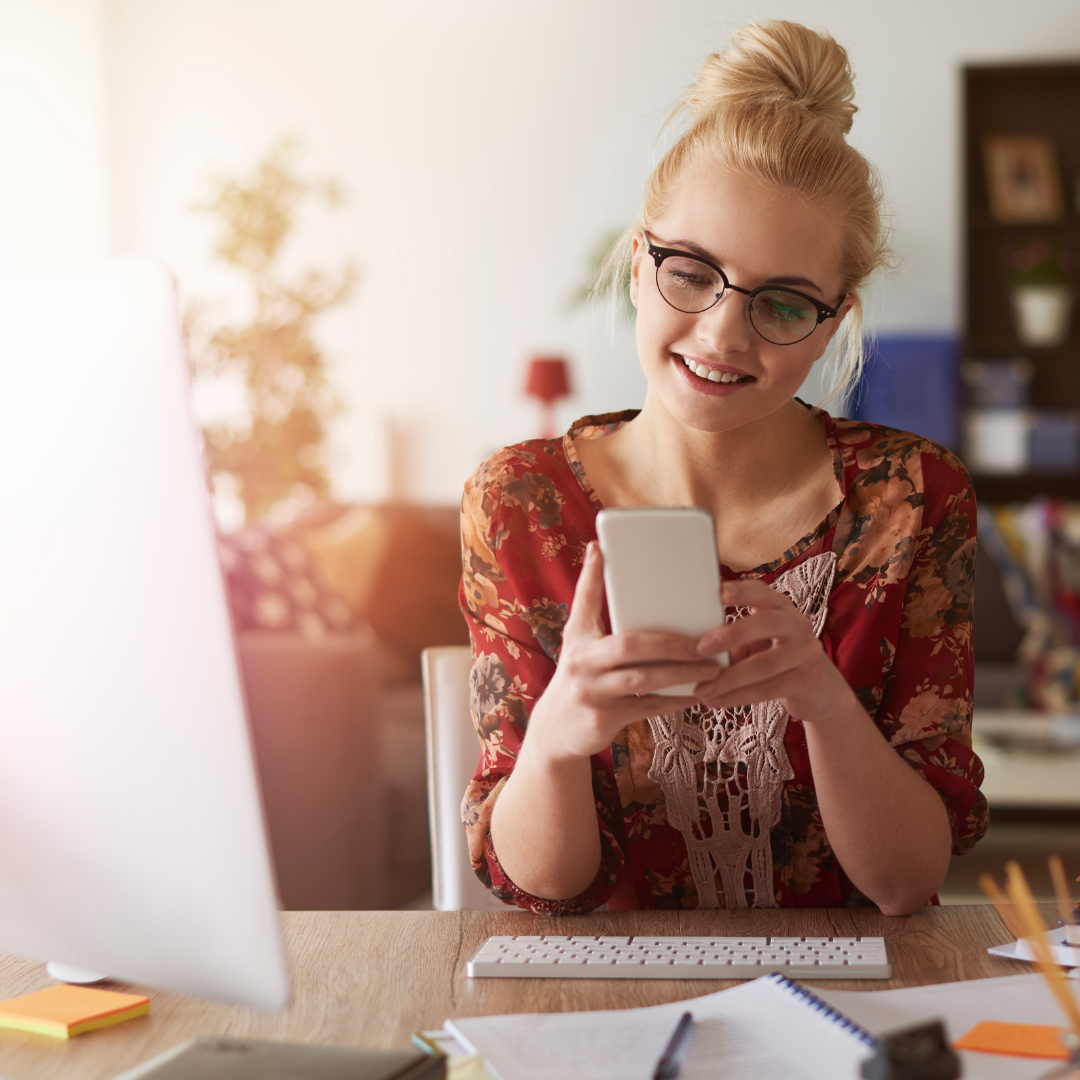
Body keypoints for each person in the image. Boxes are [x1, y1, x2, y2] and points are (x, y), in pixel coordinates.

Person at [459, 20, 986, 916]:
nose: (722, 334)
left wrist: (824, 699)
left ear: (832, 322)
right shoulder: (517, 502)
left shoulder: (915, 499)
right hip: (602, 1013)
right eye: (692, 273)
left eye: (783, 302)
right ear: (637, 264)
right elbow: (542, 886)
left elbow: (907, 884)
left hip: (848, 1009)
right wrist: (556, 737)